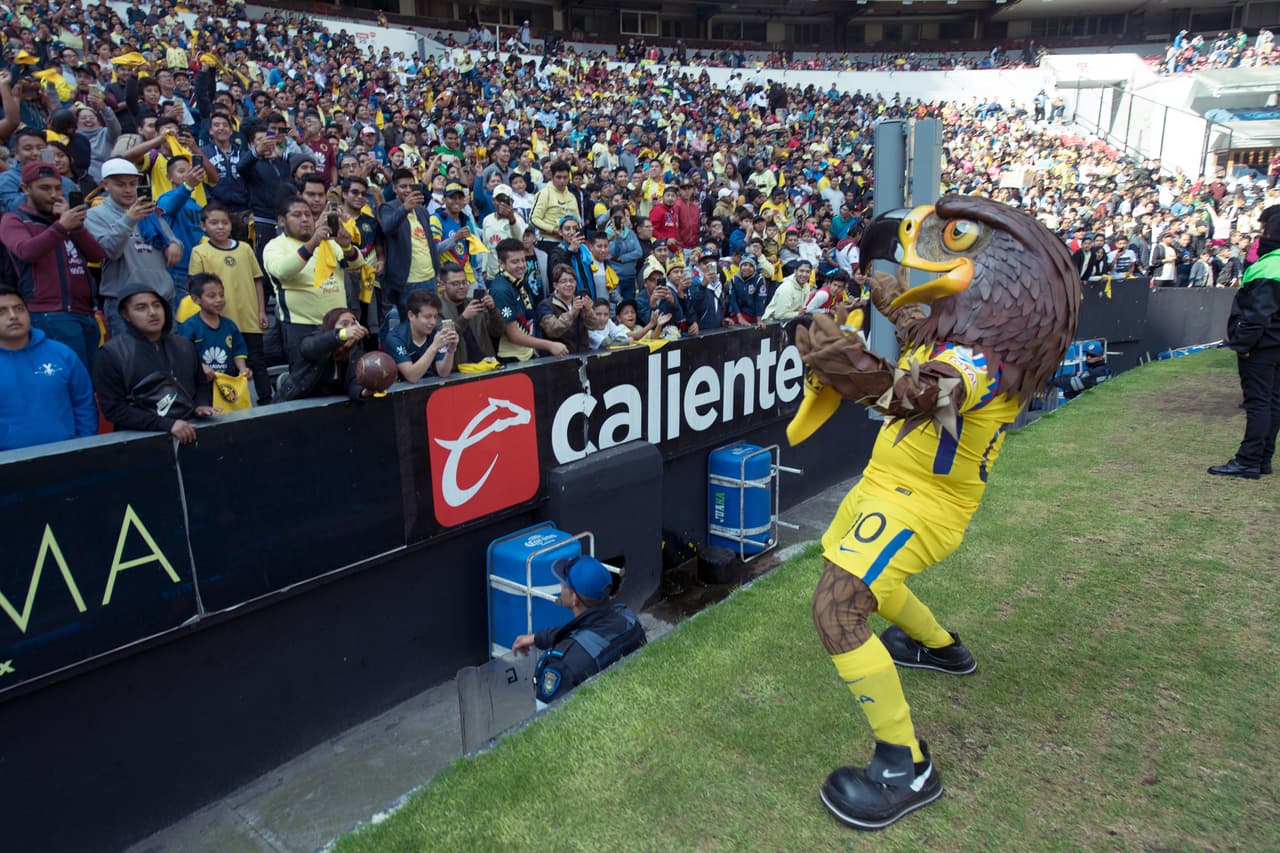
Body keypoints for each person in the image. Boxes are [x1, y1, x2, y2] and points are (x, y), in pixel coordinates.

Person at [0, 160, 104, 370]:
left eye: (57, 188)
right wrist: (60, 227)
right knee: (70, 377)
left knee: (89, 381)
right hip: (49, 312)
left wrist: (74, 227)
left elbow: (97, 255)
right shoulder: (15, 219)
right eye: (45, 188)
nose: (54, 194)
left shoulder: (64, 221)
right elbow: (26, 251)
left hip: (84, 312)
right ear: (25, 189)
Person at [512, 554, 647, 709]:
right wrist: (537, 638)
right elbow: (587, 632)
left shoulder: (561, 665)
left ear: (575, 598)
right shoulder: (629, 620)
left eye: (564, 583)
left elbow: (545, 721)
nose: (561, 585)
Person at [93, 282, 215, 445]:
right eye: (141, 308)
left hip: (190, 436)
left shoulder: (184, 345)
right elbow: (114, 409)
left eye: (157, 305)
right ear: (125, 314)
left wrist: (201, 405)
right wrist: (167, 425)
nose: (152, 312)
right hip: (138, 444)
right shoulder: (111, 354)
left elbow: (200, 383)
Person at [1209, 206, 1280, 479]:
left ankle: (1249, 460)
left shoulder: (1270, 265)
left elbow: (1258, 314)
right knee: (1272, 402)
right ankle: (1262, 459)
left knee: (1260, 402)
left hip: (1264, 345)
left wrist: (1244, 344)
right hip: (1273, 343)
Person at [263, 194, 365, 370]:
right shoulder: (275, 246)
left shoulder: (330, 243)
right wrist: (312, 244)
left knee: (344, 380)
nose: (304, 219)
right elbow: (282, 271)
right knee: (308, 384)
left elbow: (357, 264)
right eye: (297, 215)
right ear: (281, 221)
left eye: (308, 215)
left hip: (338, 325)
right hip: (303, 328)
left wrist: (347, 246)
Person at [85, 157, 183, 338]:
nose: (129, 190)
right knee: (130, 359)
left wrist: (175, 245)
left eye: (132, 183)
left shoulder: (149, 211)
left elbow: (173, 240)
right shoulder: (95, 215)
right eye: (121, 185)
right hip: (124, 300)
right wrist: (129, 219)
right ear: (105, 185)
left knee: (169, 356)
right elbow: (109, 251)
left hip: (160, 296)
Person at [188, 201, 271, 403]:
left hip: (249, 317)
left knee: (257, 362)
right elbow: (195, 287)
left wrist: (261, 311)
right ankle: (232, 404)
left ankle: (266, 400)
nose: (220, 227)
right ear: (203, 226)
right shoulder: (200, 252)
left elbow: (257, 281)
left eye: (224, 222)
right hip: (221, 321)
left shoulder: (244, 249)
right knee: (228, 366)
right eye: (214, 222)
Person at [0, 287, 98, 451]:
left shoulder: (61, 353)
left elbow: (84, 404)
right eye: (2, 311)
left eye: (19, 309)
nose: (13, 316)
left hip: (66, 456)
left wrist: (82, 445)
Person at [276, 307, 374, 402]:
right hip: (295, 405)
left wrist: (363, 392)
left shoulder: (355, 353)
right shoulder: (316, 341)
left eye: (353, 325)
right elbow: (309, 348)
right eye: (344, 324)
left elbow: (354, 382)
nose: (351, 329)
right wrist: (342, 334)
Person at [379, 168, 440, 321]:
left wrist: (437, 270)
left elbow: (429, 243)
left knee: (431, 322)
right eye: (403, 186)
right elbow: (387, 227)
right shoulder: (387, 208)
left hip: (430, 278)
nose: (407, 190)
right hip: (407, 282)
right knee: (410, 326)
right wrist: (405, 208)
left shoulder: (421, 211)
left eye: (410, 186)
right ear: (394, 188)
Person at [176, 273, 250, 383]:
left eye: (221, 295)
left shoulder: (230, 325)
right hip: (200, 386)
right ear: (196, 300)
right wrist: (201, 367)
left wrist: (243, 369)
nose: (219, 300)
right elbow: (183, 356)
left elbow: (238, 351)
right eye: (212, 296)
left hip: (227, 385)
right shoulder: (189, 326)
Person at [383, 289, 458, 382]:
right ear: (411, 315)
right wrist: (434, 347)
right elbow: (412, 377)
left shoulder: (435, 334)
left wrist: (451, 349)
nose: (433, 322)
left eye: (435, 316)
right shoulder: (395, 338)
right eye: (427, 317)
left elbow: (443, 373)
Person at [438, 262, 505, 365]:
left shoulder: (476, 303)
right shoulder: (437, 309)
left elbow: (498, 332)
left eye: (464, 282)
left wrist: (493, 310)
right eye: (455, 283)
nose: (461, 287)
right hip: (457, 371)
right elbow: (443, 342)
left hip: (486, 365)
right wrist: (464, 318)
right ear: (442, 285)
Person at [537, 263, 606, 354]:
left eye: (571, 281)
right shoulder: (546, 305)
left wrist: (589, 311)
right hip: (557, 358)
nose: (568, 284)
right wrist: (572, 312)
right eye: (564, 281)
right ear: (555, 285)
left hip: (582, 356)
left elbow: (594, 326)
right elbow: (552, 330)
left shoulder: (581, 301)